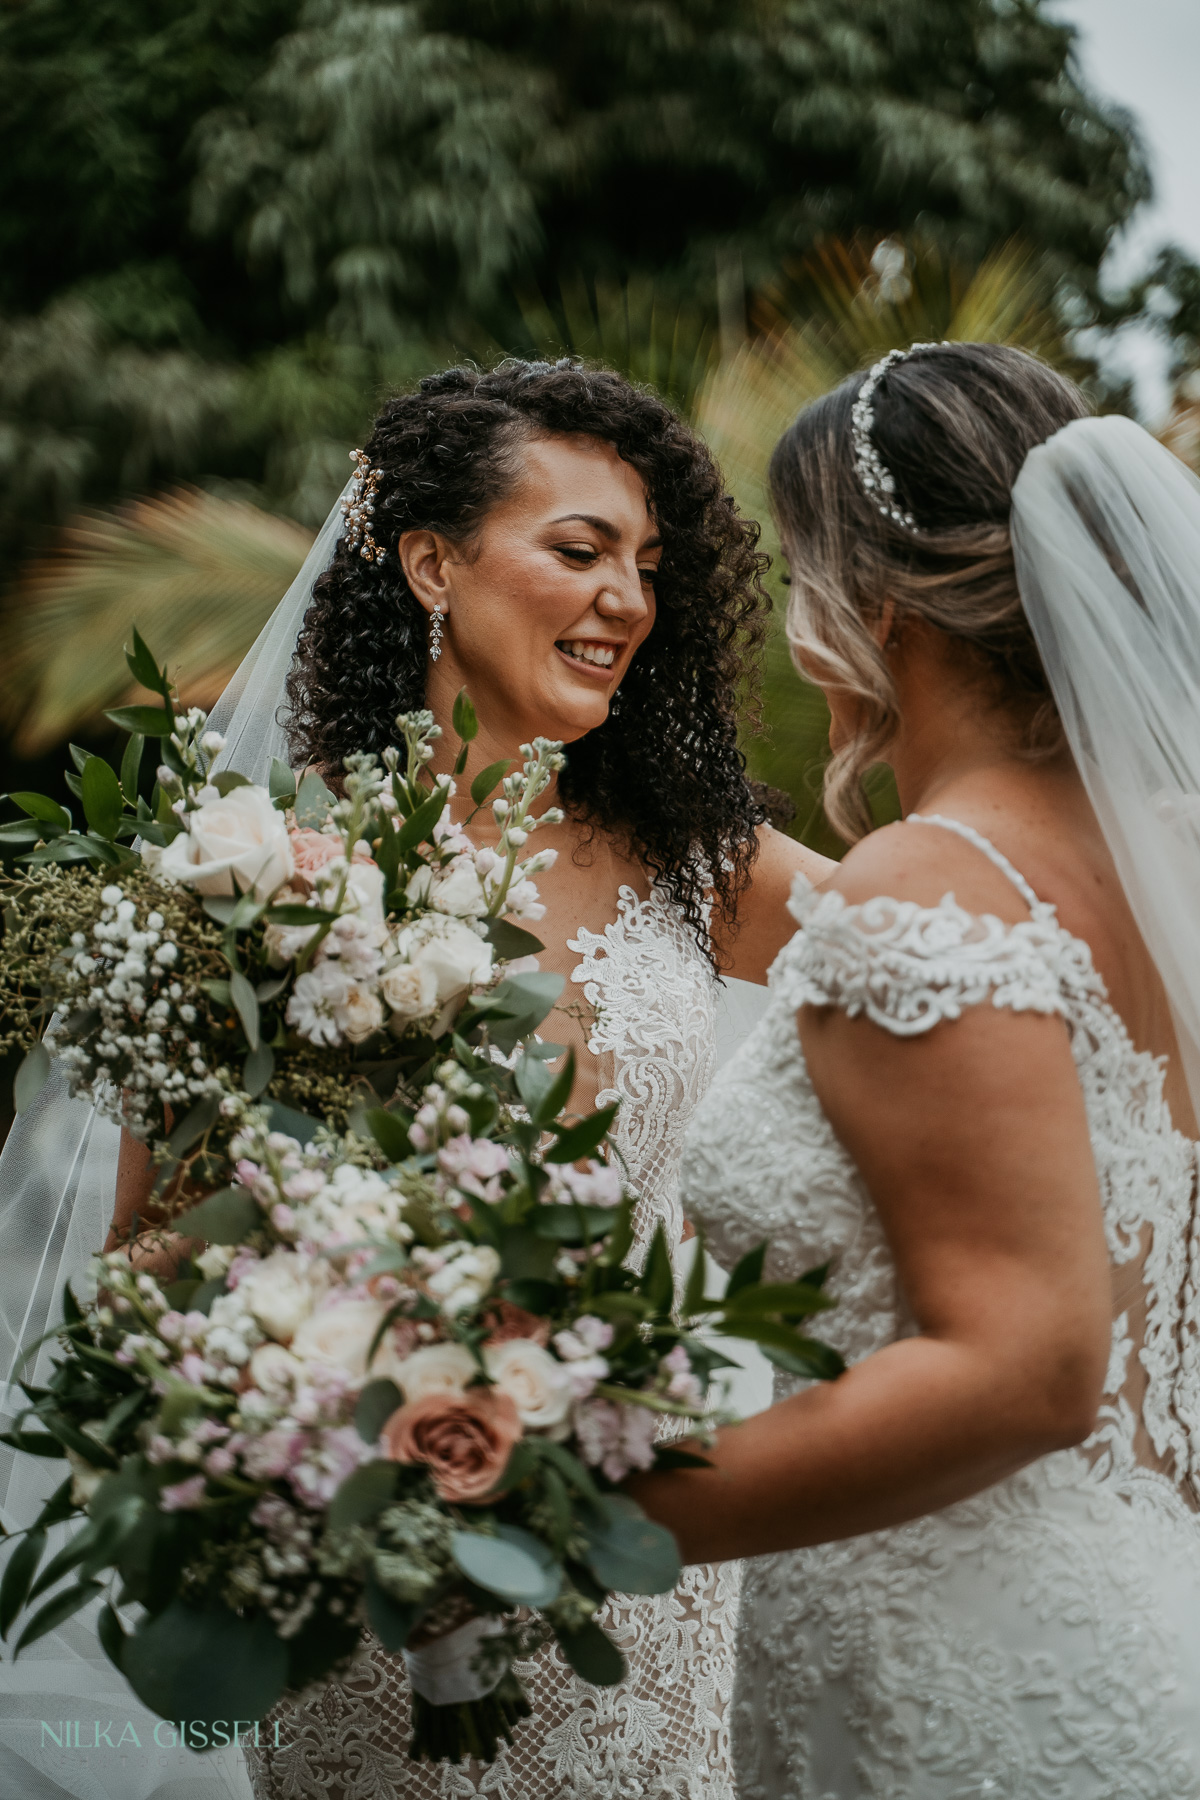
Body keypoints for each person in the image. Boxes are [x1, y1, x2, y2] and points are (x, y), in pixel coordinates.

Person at [200, 358, 826, 1800]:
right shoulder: (260, 875)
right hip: (373, 1545)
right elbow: (156, 1249)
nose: (628, 599)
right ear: (431, 561)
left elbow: (942, 956)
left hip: (644, 1550)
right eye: (579, 550)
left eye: (650, 566)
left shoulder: (694, 857)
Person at [628, 342, 1200, 1798]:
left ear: (875, 605)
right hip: (1132, 1609)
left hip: (969, 1685)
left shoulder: (925, 885)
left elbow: (1025, 1365)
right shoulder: (1165, 874)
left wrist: (591, 1508)